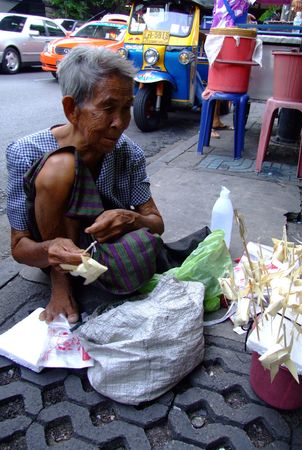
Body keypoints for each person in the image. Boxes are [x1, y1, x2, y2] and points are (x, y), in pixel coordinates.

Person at [6, 46, 165, 324]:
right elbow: (20, 247)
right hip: (51, 253)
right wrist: (52, 253)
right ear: (71, 109)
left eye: (126, 107)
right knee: (61, 165)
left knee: (143, 254)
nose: (120, 123)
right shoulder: (26, 152)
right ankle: (63, 285)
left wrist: (130, 219)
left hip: (99, 251)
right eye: (107, 108)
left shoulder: (129, 154)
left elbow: (156, 223)